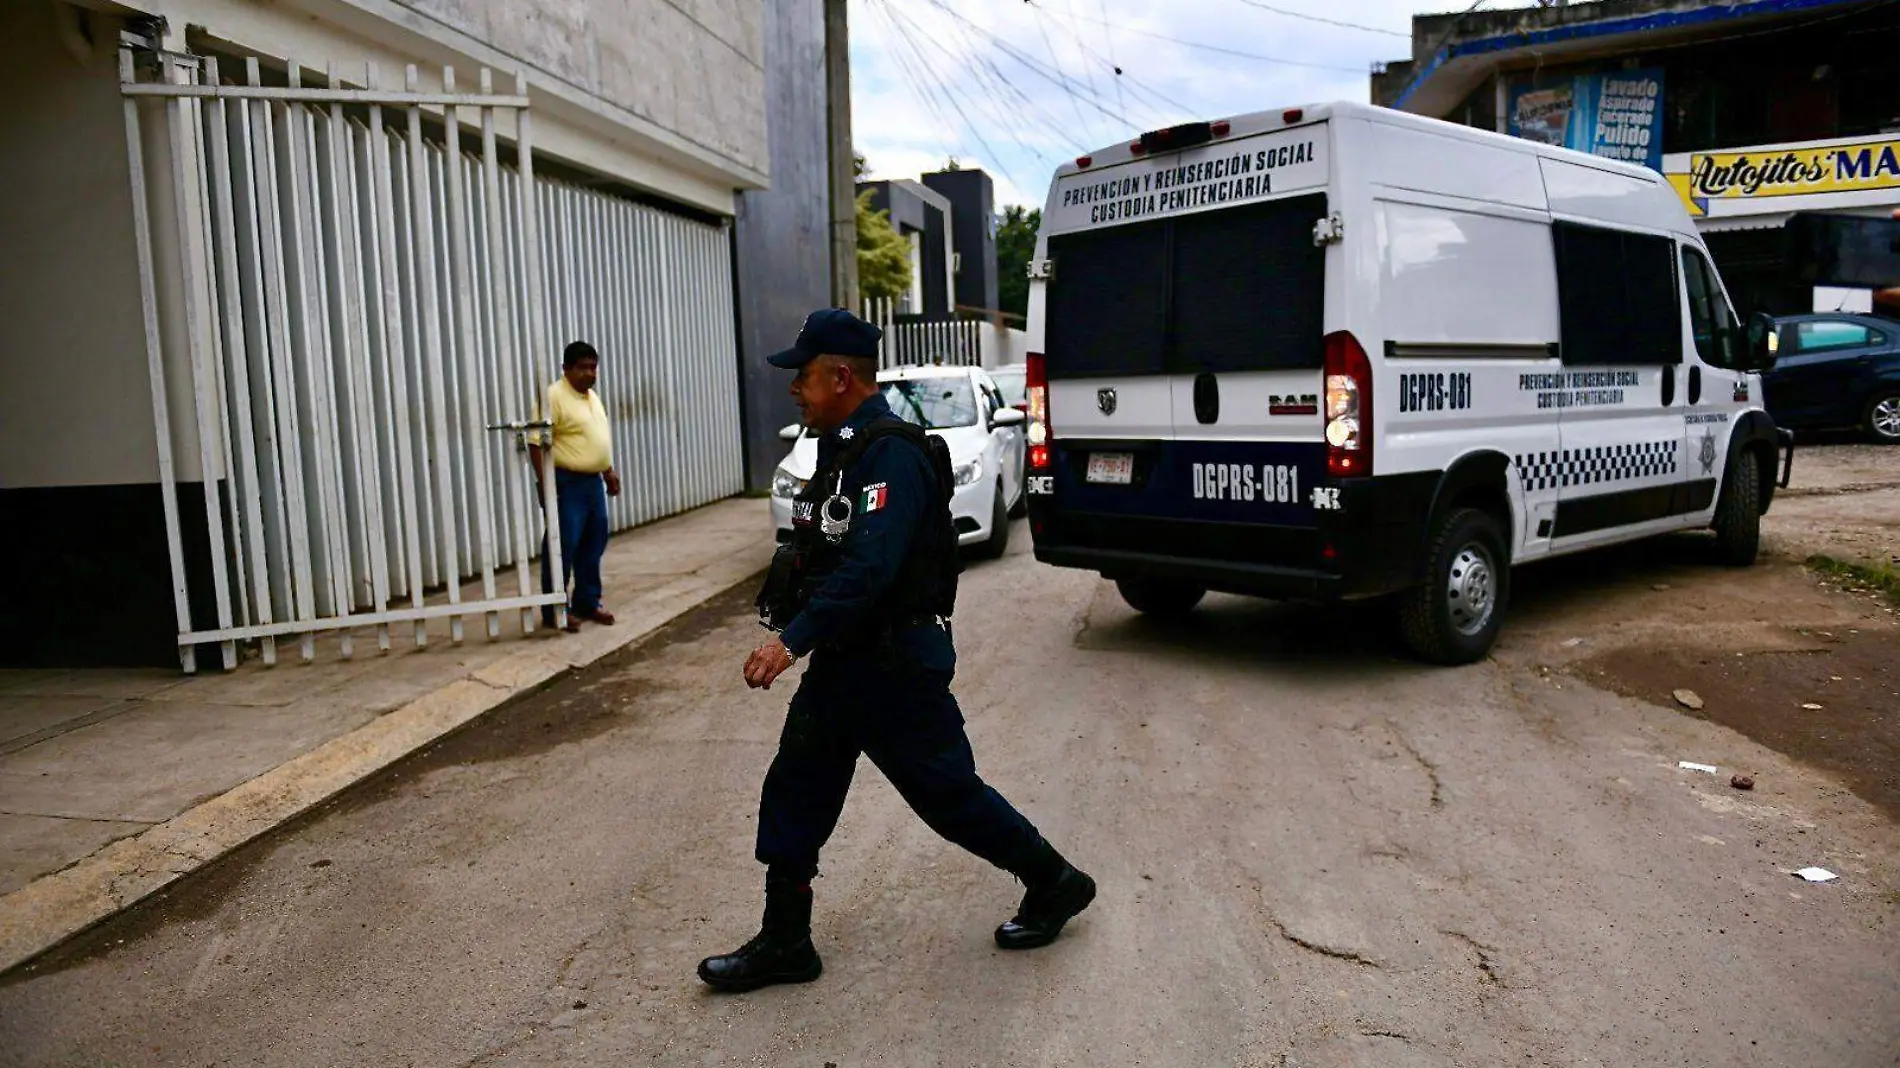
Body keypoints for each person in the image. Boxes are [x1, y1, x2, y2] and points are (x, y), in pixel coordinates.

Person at [697, 308, 1095, 993]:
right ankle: (787, 942)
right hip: (849, 661)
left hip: (896, 664)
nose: (794, 388)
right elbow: (829, 550)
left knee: (948, 796)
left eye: (804, 375)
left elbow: (870, 569)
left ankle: (1055, 881)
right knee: (797, 783)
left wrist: (791, 642)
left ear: (841, 376)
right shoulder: (840, 449)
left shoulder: (893, 453)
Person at [529, 341, 621, 632]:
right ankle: (555, 609)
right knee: (562, 545)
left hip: (593, 483)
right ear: (566, 369)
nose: (589, 373)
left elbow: (594, 438)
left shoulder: (591, 397)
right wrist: (545, 486)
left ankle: (587, 602)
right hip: (566, 482)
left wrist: (608, 471)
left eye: (593, 367)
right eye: (582, 368)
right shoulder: (553, 397)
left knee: (593, 544)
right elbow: (535, 443)